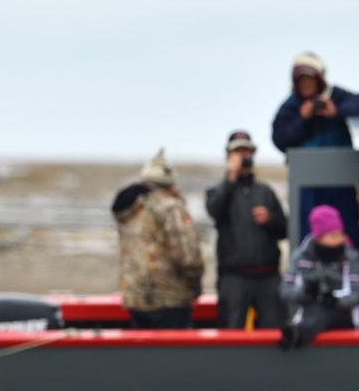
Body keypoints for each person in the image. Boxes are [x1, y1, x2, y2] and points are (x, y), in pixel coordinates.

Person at [271, 51, 359, 257]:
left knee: (347, 232)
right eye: (301, 81)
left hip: (341, 182)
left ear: (319, 80)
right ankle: (306, 279)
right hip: (307, 187)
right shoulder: (290, 108)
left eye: (310, 79)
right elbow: (280, 139)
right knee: (306, 234)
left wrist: (336, 111)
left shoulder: (335, 97)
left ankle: (352, 276)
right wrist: (302, 118)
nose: (306, 85)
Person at [111, 149, 204, 329]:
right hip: (169, 298)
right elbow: (188, 256)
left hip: (135, 297)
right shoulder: (171, 206)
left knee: (143, 354)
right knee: (173, 355)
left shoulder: (131, 206)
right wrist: (194, 286)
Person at [204, 130, 288, 329]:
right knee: (231, 335)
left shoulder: (265, 191)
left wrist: (271, 219)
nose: (243, 157)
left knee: (274, 332)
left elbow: (285, 229)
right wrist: (230, 178)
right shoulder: (217, 191)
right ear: (228, 157)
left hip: (268, 277)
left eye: (247, 152)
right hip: (234, 278)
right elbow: (214, 210)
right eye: (238, 153)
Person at [278, 204, 359, 349]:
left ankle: (297, 334)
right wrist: (306, 293)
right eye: (333, 235)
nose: (340, 240)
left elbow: (358, 293)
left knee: (325, 311)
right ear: (318, 237)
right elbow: (285, 291)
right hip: (308, 314)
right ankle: (297, 332)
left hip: (344, 317)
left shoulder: (352, 257)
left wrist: (334, 300)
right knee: (317, 310)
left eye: (341, 234)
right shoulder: (299, 257)